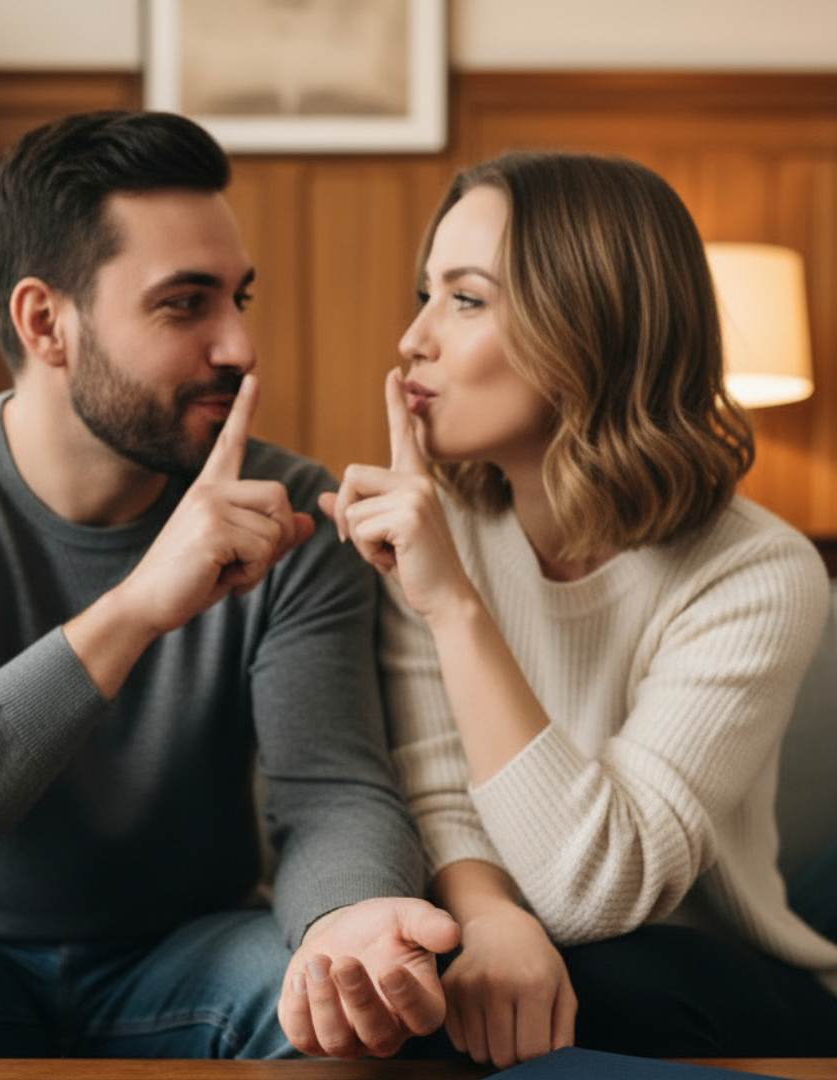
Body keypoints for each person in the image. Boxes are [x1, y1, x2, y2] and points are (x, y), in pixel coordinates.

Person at [0, 110, 460, 1059]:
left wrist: (349, 918)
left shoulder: (292, 509)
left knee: (345, 1007)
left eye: (239, 298)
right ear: (45, 322)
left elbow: (332, 790)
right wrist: (133, 611)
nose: (239, 345)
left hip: (190, 959)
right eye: (185, 304)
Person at [320, 149, 837, 1067]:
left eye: (465, 299)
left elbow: (596, 889)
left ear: (587, 327)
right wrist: (491, 919)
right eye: (425, 294)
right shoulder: (442, 529)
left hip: (711, 979)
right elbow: (436, 789)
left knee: (602, 987)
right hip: (518, 950)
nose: (412, 338)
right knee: (417, 1002)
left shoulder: (756, 572)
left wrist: (456, 609)